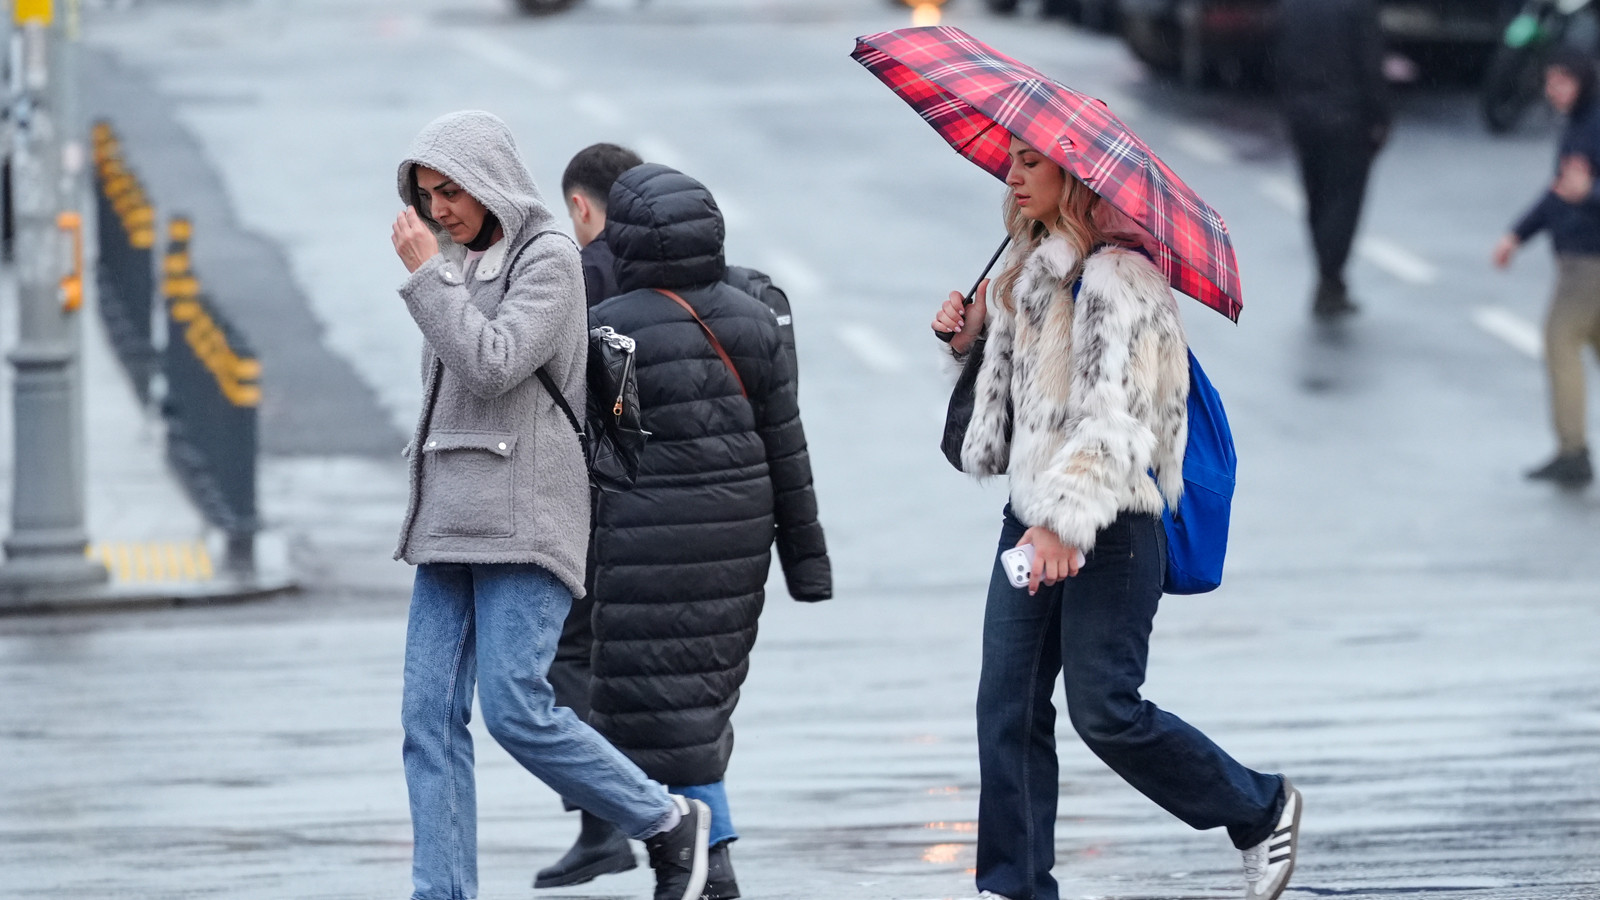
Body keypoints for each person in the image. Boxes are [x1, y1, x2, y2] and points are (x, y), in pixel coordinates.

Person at [931, 134, 1302, 900]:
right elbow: (1020, 412)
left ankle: (1259, 808)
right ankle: (1017, 887)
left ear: (1076, 178)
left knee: (1106, 713)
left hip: (1113, 524)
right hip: (1031, 518)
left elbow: (1120, 423)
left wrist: (1064, 524)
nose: (1014, 173)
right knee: (1006, 706)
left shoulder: (1120, 282)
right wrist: (969, 340)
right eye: (1013, 160)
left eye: (1032, 163)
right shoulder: (1033, 273)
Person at [388, 110, 713, 900]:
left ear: (491, 179)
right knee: (425, 721)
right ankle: (442, 893)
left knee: (515, 710)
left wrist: (428, 276)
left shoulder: (550, 260)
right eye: (428, 195)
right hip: (449, 517)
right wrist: (441, 273)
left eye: (452, 192)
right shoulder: (457, 262)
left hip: (525, 513)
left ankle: (665, 822)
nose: (441, 211)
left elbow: (493, 363)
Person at [534, 148, 814, 896]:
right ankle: (698, 853)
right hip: (737, 535)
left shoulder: (610, 326)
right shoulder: (755, 313)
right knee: (692, 706)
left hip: (639, 537)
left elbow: (606, 447)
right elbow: (787, 444)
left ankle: (695, 855)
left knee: (647, 703)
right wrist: (807, 565)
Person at [1494, 47, 1600, 489]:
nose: (1553, 92)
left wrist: (1589, 195)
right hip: (1579, 254)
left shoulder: (1592, 127)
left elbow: (1575, 190)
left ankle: (1572, 450)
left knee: (1560, 340)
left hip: (1588, 260)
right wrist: (1518, 234)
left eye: (1562, 82)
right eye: (1549, 82)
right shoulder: (1579, 124)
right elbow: (1560, 190)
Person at [1276, 0, 1391, 319]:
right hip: (1347, 117)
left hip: (1304, 114)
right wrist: (1380, 115)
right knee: (1343, 201)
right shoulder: (1357, 7)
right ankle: (1330, 277)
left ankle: (1328, 276)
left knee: (1317, 197)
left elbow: (1281, 58)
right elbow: (1370, 63)